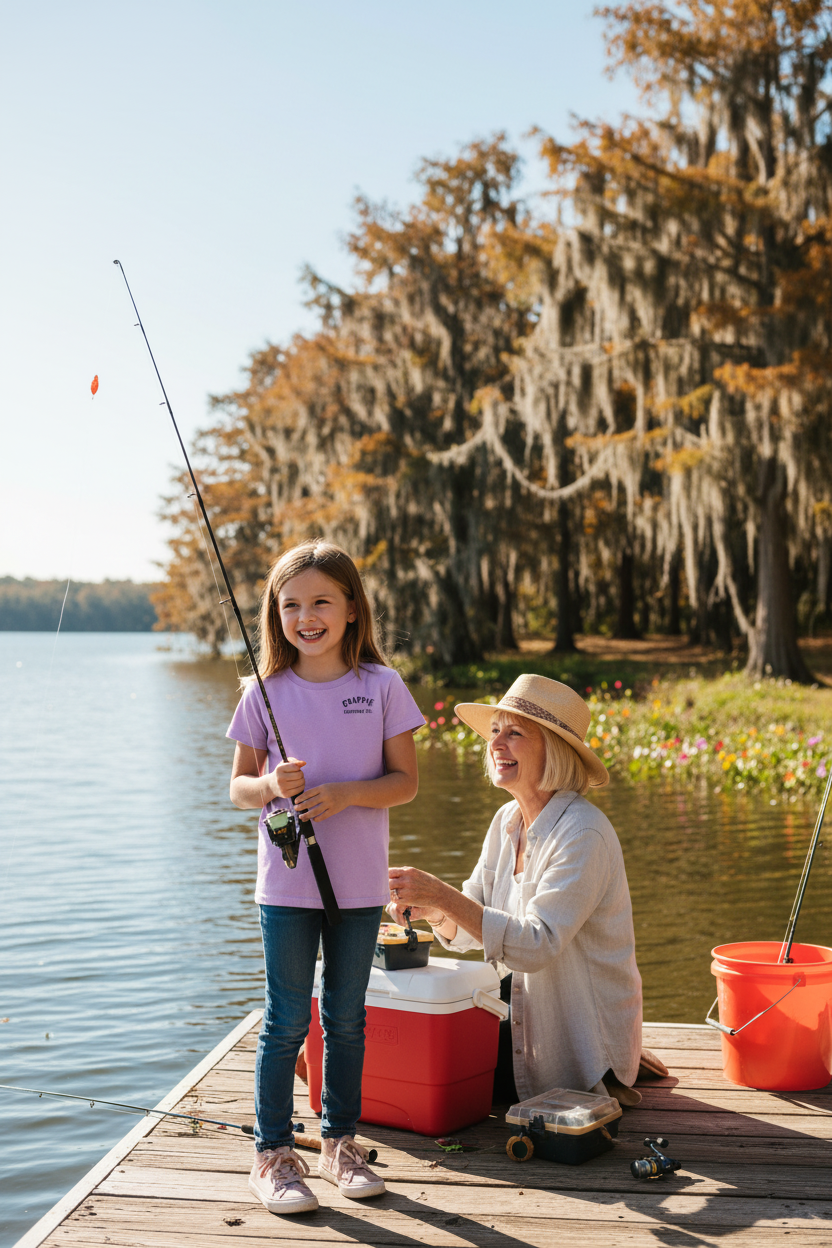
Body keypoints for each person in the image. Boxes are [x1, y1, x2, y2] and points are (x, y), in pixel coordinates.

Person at [227, 540, 424, 1216]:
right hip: (285, 887)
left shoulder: (382, 686)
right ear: (274, 614)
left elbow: (405, 782)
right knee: (285, 1019)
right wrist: (268, 784)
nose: (305, 616)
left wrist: (344, 796)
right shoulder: (262, 691)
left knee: (345, 1018)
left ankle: (341, 1143)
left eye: (320, 602)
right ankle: (273, 1154)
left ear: (349, 610)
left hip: (359, 884)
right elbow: (238, 791)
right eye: (290, 605)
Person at [388, 673, 643, 1106]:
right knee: (412, 1045)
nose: (496, 743)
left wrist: (442, 896)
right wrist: (430, 909)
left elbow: (534, 946)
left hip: (580, 1057)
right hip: (523, 1015)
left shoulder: (584, 834)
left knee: (428, 1071)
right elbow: (473, 926)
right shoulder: (506, 821)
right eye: (494, 732)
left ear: (555, 750)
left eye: (515, 733)